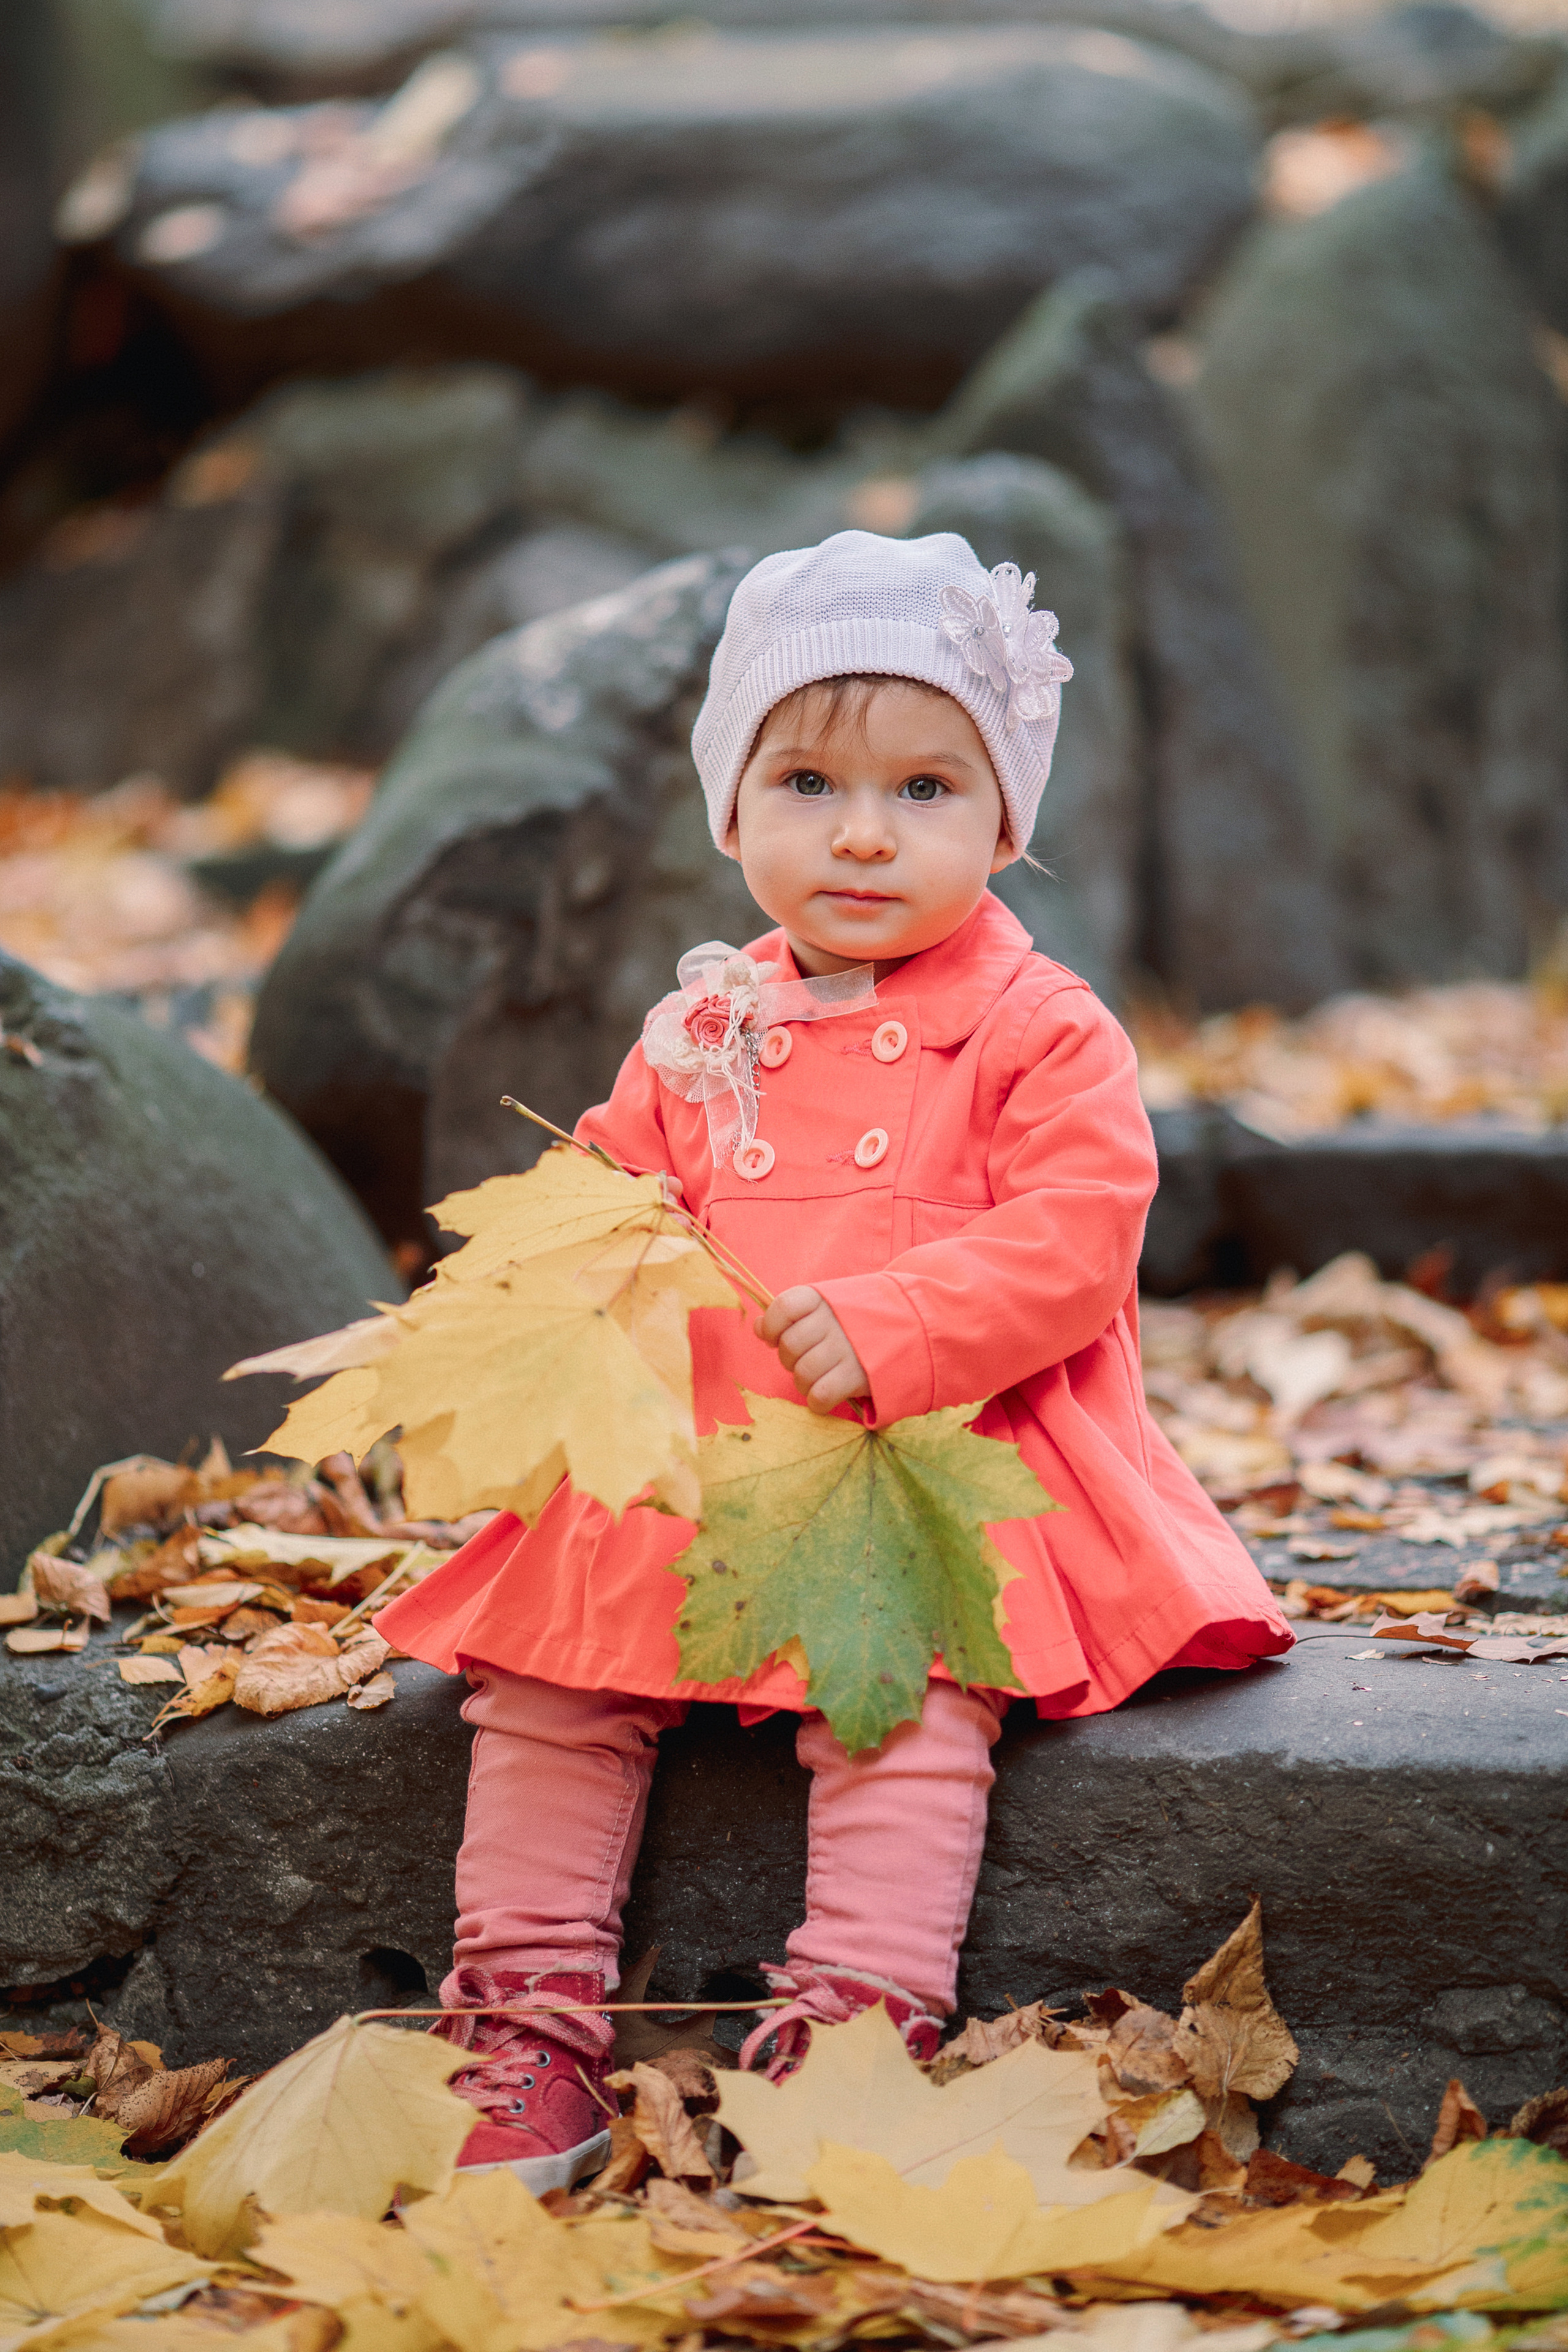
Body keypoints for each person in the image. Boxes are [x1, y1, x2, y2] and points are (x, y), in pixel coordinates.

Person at [375, 529, 1294, 2192]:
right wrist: (558, 1282)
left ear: (1006, 821)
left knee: (904, 1694)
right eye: (807, 779)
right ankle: (526, 2019)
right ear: (734, 812)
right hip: (702, 1446)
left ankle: (859, 2026)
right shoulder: (705, 1026)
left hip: (931, 1440)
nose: (864, 832)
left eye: (929, 789)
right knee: (554, 1675)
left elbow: (1080, 1234)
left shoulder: (1039, 1029)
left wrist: (898, 1323)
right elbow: (611, 1190)